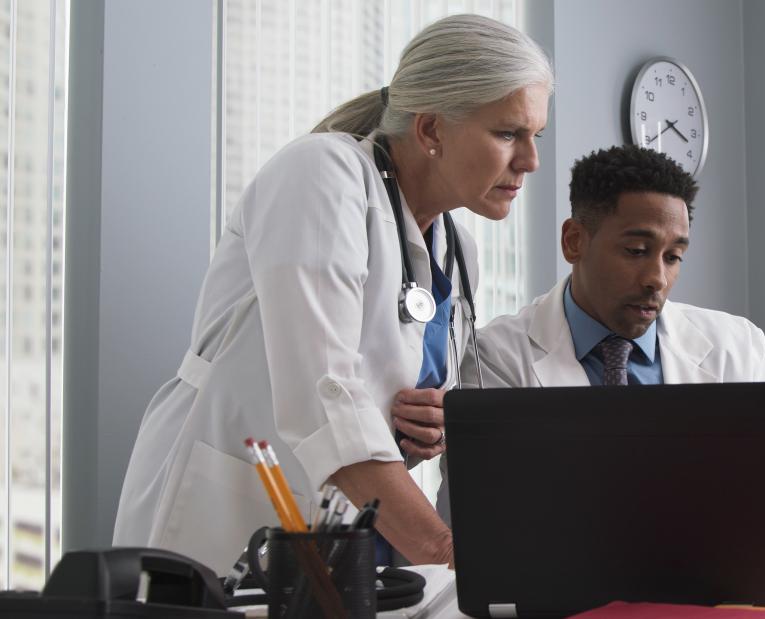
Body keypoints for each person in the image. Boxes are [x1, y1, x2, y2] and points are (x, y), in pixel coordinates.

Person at [113, 14, 552, 573]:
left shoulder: (458, 248)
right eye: (508, 133)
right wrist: (446, 551)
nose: (530, 161)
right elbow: (326, 397)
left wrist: (432, 428)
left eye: (535, 136)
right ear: (431, 130)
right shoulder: (323, 175)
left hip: (349, 530)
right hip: (236, 510)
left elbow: (381, 401)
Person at [461, 145, 765, 563]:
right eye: (637, 251)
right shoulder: (494, 358)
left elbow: (760, 508)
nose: (657, 279)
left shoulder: (736, 345)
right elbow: (488, 526)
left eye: (673, 257)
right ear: (574, 241)